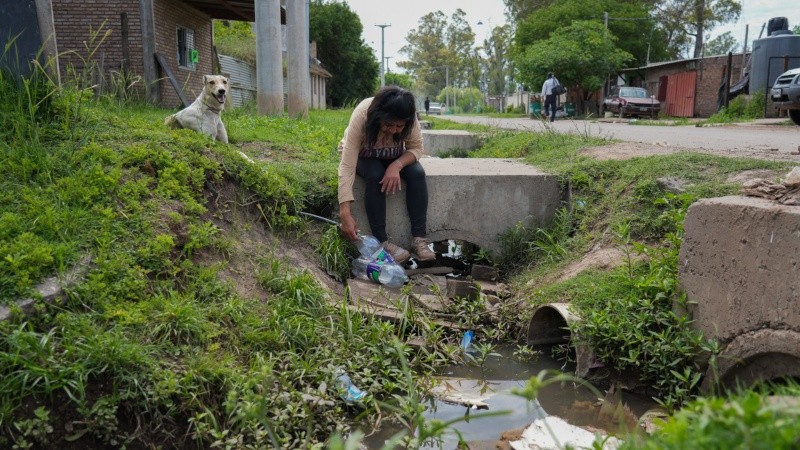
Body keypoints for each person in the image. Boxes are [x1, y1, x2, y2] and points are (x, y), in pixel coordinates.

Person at [337, 86, 436, 263]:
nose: (393, 130)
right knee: (375, 173)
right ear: (378, 116)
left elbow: (417, 148)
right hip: (364, 155)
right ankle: (381, 242)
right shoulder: (363, 115)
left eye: (399, 126)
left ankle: (419, 240)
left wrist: (396, 166)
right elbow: (347, 166)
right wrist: (345, 213)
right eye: (388, 125)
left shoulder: (409, 117)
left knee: (417, 172)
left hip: (392, 156)